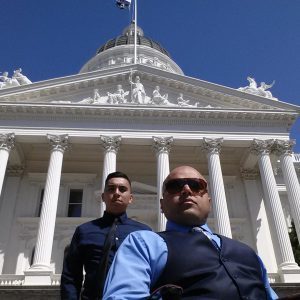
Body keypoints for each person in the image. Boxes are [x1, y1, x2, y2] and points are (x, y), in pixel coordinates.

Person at [103, 166, 278, 300]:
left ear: (209, 201)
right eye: (174, 186)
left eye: (196, 185)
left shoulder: (247, 253)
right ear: (162, 205)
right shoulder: (144, 243)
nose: (186, 189)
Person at [61, 171, 152, 300]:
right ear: (103, 196)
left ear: (130, 198)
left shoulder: (144, 232)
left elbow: (153, 273)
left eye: (122, 189)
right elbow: (71, 275)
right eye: (111, 189)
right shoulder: (84, 231)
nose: (116, 193)